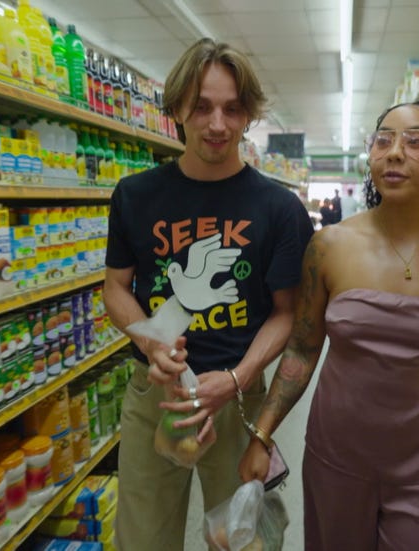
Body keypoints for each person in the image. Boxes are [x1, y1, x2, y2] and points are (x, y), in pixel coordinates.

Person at [239, 101, 419, 549]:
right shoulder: (329, 247)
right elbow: (302, 350)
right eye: (384, 140)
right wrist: (261, 436)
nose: (395, 152)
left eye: (415, 140)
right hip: (336, 458)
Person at [103, 37, 314, 550]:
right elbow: (115, 289)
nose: (217, 124)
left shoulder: (279, 208)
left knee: (244, 539)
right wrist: (153, 343)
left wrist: (238, 378)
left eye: (232, 108)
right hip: (158, 395)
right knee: (143, 538)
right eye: (201, 107)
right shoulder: (135, 196)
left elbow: (288, 314)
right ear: (177, 108)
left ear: (248, 116)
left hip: (240, 398)